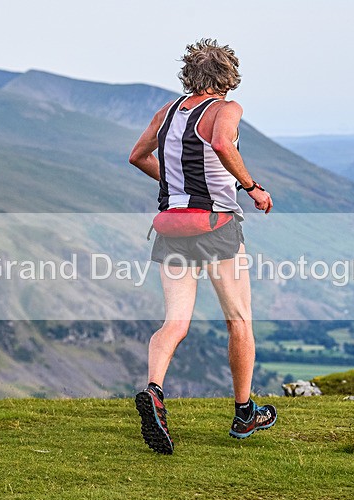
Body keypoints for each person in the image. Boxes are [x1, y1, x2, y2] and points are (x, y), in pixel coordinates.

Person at [128, 38, 277, 454]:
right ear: (229, 77)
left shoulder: (168, 112)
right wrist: (253, 187)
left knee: (175, 323)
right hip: (216, 227)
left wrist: (175, 186)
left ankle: (154, 392)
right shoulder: (227, 110)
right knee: (239, 320)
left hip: (171, 226)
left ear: (189, 74)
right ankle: (245, 413)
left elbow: (137, 156)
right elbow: (223, 143)